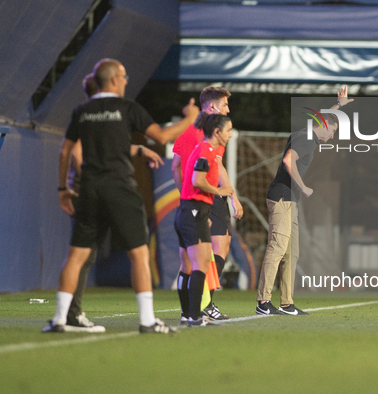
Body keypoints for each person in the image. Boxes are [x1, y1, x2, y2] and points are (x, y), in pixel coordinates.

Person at [43, 58, 199, 334]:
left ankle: (58, 319)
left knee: (76, 256)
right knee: (138, 255)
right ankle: (148, 321)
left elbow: (65, 152)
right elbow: (162, 137)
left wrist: (61, 189)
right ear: (113, 79)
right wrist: (189, 119)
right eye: (124, 76)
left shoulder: (82, 111)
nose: (126, 81)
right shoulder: (127, 109)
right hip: (120, 189)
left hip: (89, 189)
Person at [63, 74, 163, 332]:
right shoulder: (94, 121)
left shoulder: (88, 119)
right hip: (94, 191)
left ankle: (68, 315)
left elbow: (112, 147)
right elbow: (77, 155)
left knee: (82, 256)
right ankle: (72, 314)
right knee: (84, 257)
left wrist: (139, 150)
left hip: (91, 190)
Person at [256, 86, 353, 316]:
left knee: (293, 253)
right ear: (325, 126)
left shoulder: (308, 133)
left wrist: (339, 105)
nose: (332, 136)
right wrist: (304, 187)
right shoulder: (308, 138)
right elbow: (288, 162)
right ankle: (263, 301)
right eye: (333, 131)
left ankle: (287, 304)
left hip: (291, 201)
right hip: (281, 198)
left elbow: (323, 118)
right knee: (277, 249)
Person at [172, 87, 243, 323]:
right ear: (212, 108)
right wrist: (226, 194)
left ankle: (189, 313)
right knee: (210, 256)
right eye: (224, 105)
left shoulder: (186, 133)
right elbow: (204, 174)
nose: (227, 109)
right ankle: (202, 309)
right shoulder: (208, 143)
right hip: (201, 201)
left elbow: (176, 167)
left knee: (190, 262)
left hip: (189, 203)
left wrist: (186, 197)